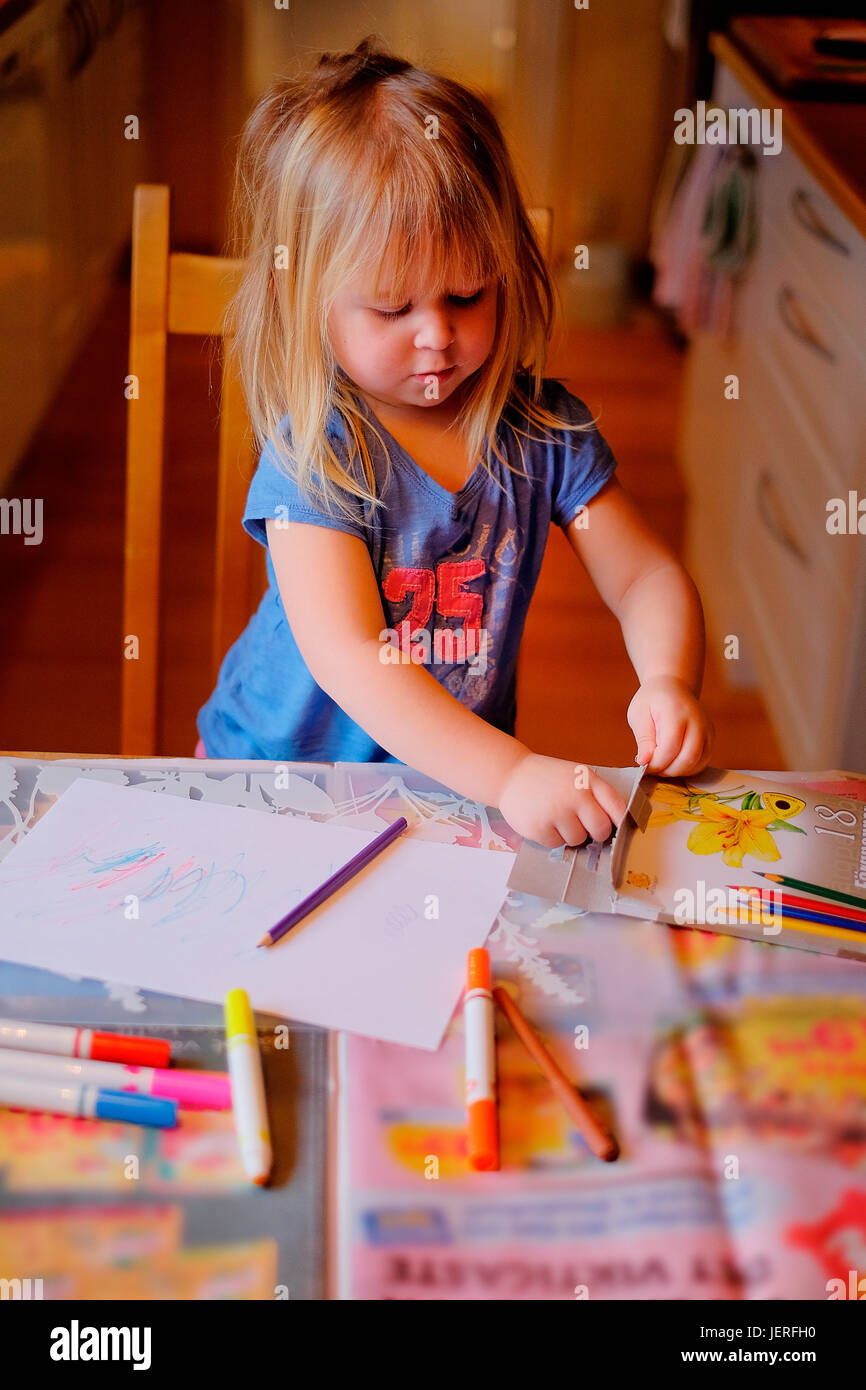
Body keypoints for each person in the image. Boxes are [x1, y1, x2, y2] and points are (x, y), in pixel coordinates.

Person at [197, 38, 714, 849]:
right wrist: (511, 773)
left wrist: (667, 679)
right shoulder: (317, 458)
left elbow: (645, 573)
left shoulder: (542, 433)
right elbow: (351, 656)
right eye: (391, 307)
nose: (436, 335)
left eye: (467, 294)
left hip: (446, 793)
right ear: (307, 303)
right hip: (276, 789)